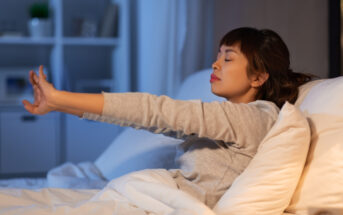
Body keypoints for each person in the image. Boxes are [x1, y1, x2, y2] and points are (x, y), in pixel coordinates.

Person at [22, 27, 312, 209]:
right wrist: (57, 104)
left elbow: (156, 110)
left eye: (228, 57)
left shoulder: (254, 117)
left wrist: (60, 97)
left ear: (259, 76)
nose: (215, 63)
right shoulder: (228, 119)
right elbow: (149, 119)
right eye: (218, 55)